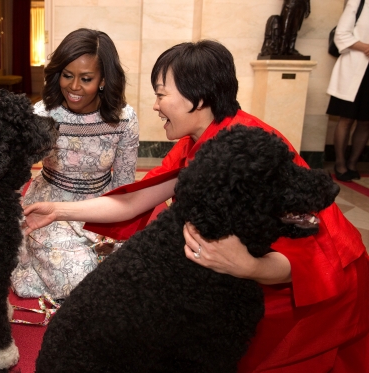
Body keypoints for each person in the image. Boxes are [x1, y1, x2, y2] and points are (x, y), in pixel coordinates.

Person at [24, 40, 369, 372]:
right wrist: (58, 210)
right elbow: (132, 201)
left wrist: (246, 266)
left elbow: (309, 254)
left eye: (161, 94)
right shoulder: (199, 140)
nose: (155, 105)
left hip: (319, 285)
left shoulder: (251, 151)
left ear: (198, 98)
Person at [10, 28, 139, 300]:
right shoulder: (42, 114)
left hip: (102, 206)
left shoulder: (124, 119)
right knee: (83, 281)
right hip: (49, 207)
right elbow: (16, 173)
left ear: (104, 79)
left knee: (131, 278)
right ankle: (32, 258)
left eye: (87, 78)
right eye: (67, 75)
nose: (74, 87)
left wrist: (118, 232)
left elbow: (124, 183)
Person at [327, 0, 369, 182]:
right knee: (346, 118)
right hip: (354, 69)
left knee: (366, 121)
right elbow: (341, 35)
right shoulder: (357, 2)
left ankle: (353, 163)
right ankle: (340, 163)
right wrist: (367, 47)